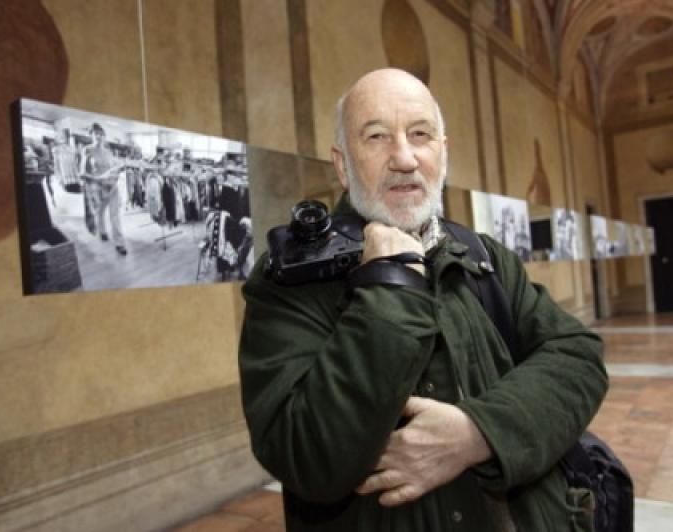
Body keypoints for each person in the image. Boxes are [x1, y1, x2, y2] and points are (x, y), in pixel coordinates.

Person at [239, 68, 608, 531]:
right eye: (376, 137)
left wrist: (478, 433)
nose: (404, 157)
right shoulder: (291, 280)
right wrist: (390, 287)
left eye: (420, 135)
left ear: (443, 151)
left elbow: (579, 357)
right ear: (342, 165)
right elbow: (305, 456)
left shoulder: (482, 256)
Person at [80, 123, 127, 256]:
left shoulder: (108, 152)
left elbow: (112, 168)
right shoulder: (87, 150)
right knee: (99, 212)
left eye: (101, 134)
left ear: (104, 136)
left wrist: (118, 171)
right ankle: (102, 231)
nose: (99, 136)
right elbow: (82, 173)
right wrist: (100, 178)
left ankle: (119, 243)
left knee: (115, 216)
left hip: (112, 187)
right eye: (96, 134)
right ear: (91, 135)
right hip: (98, 188)